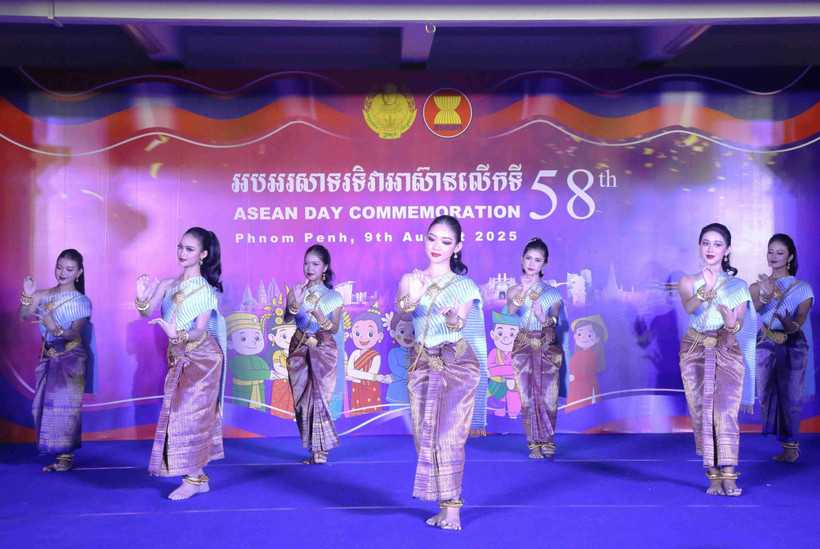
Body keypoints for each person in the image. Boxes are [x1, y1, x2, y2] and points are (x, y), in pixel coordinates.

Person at [396, 215, 486, 531]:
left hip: (456, 363)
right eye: (432, 238)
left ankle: (453, 509)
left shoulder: (464, 285)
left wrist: (451, 319)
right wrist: (416, 295)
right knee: (425, 437)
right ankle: (442, 504)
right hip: (422, 364)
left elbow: (459, 323)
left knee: (449, 434)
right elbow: (404, 310)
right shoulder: (411, 278)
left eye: (446, 242)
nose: (437, 246)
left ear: (457, 247)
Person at [135, 227, 227, 500]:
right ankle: (198, 478)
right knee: (179, 414)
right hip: (178, 356)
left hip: (204, 358)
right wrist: (142, 295)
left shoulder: (206, 291)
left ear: (203, 255)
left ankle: (194, 478)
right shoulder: (167, 284)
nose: (182, 253)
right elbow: (145, 311)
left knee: (191, 416)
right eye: (180, 247)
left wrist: (179, 335)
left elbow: (199, 330)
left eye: (190, 249)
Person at [677, 223, 756, 497]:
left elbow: (739, 323)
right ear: (699, 246)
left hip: (727, 349)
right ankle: (712, 475)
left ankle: (730, 473)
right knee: (702, 413)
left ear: (728, 250)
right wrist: (705, 290)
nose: (711, 249)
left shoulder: (738, 285)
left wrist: (732, 322)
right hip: (695, 349)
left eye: (717, 244)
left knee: (725, 412)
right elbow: (689, 308)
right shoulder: (688, 280)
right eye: (706, 243)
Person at [19, 249, 96, 472]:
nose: (63, 272)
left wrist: (56, 329)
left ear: (79, 273)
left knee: (65, 407)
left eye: (69, 269)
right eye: (59, 267)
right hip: (47, 354)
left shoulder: (82, 301)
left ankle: (65, 459)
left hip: (71, 357)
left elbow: (74, 333)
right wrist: (27, 295)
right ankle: (58, 454)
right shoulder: (42, 295)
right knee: (41, 407)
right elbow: (24, 316)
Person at [750, 234, 814, 462]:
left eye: (779, 252)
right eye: (770, 251)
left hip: (793, 345)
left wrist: (788, 323)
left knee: (791, 395)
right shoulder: (757, 285)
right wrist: (766, 295)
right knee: (767, 395)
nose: (774, 256)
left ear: (790, 257)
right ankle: (783, 441)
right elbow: (751, 311)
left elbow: (798, 322)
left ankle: (790, 447)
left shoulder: (803, 288)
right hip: (765, 343)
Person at [506, 238, 570, 459]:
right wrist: (523, 289)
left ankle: (548, 439)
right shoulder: (513, 289)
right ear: (522, 260)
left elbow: (555, 318)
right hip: (523, 344)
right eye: (528, 258)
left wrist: (545, 319)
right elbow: (512, 309)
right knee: (527, 395)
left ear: (545, 264)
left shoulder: (552, 292)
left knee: (548, 395)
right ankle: (533, 441)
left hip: (547, 345)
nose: (532, 263)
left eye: (538, 260)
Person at [284, 245, 344, 464]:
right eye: (306, 263)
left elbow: (334, 329)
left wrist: (319, 315)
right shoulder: (296, 290)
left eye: (315, 264)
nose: (309, 268)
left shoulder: (334, 296)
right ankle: (314, 448)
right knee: (301, 400)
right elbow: (287, 320)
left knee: (321, 397)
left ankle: (321, 452)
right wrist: (295, 304)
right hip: (299, 346)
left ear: (325, 267)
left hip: (324, 347)